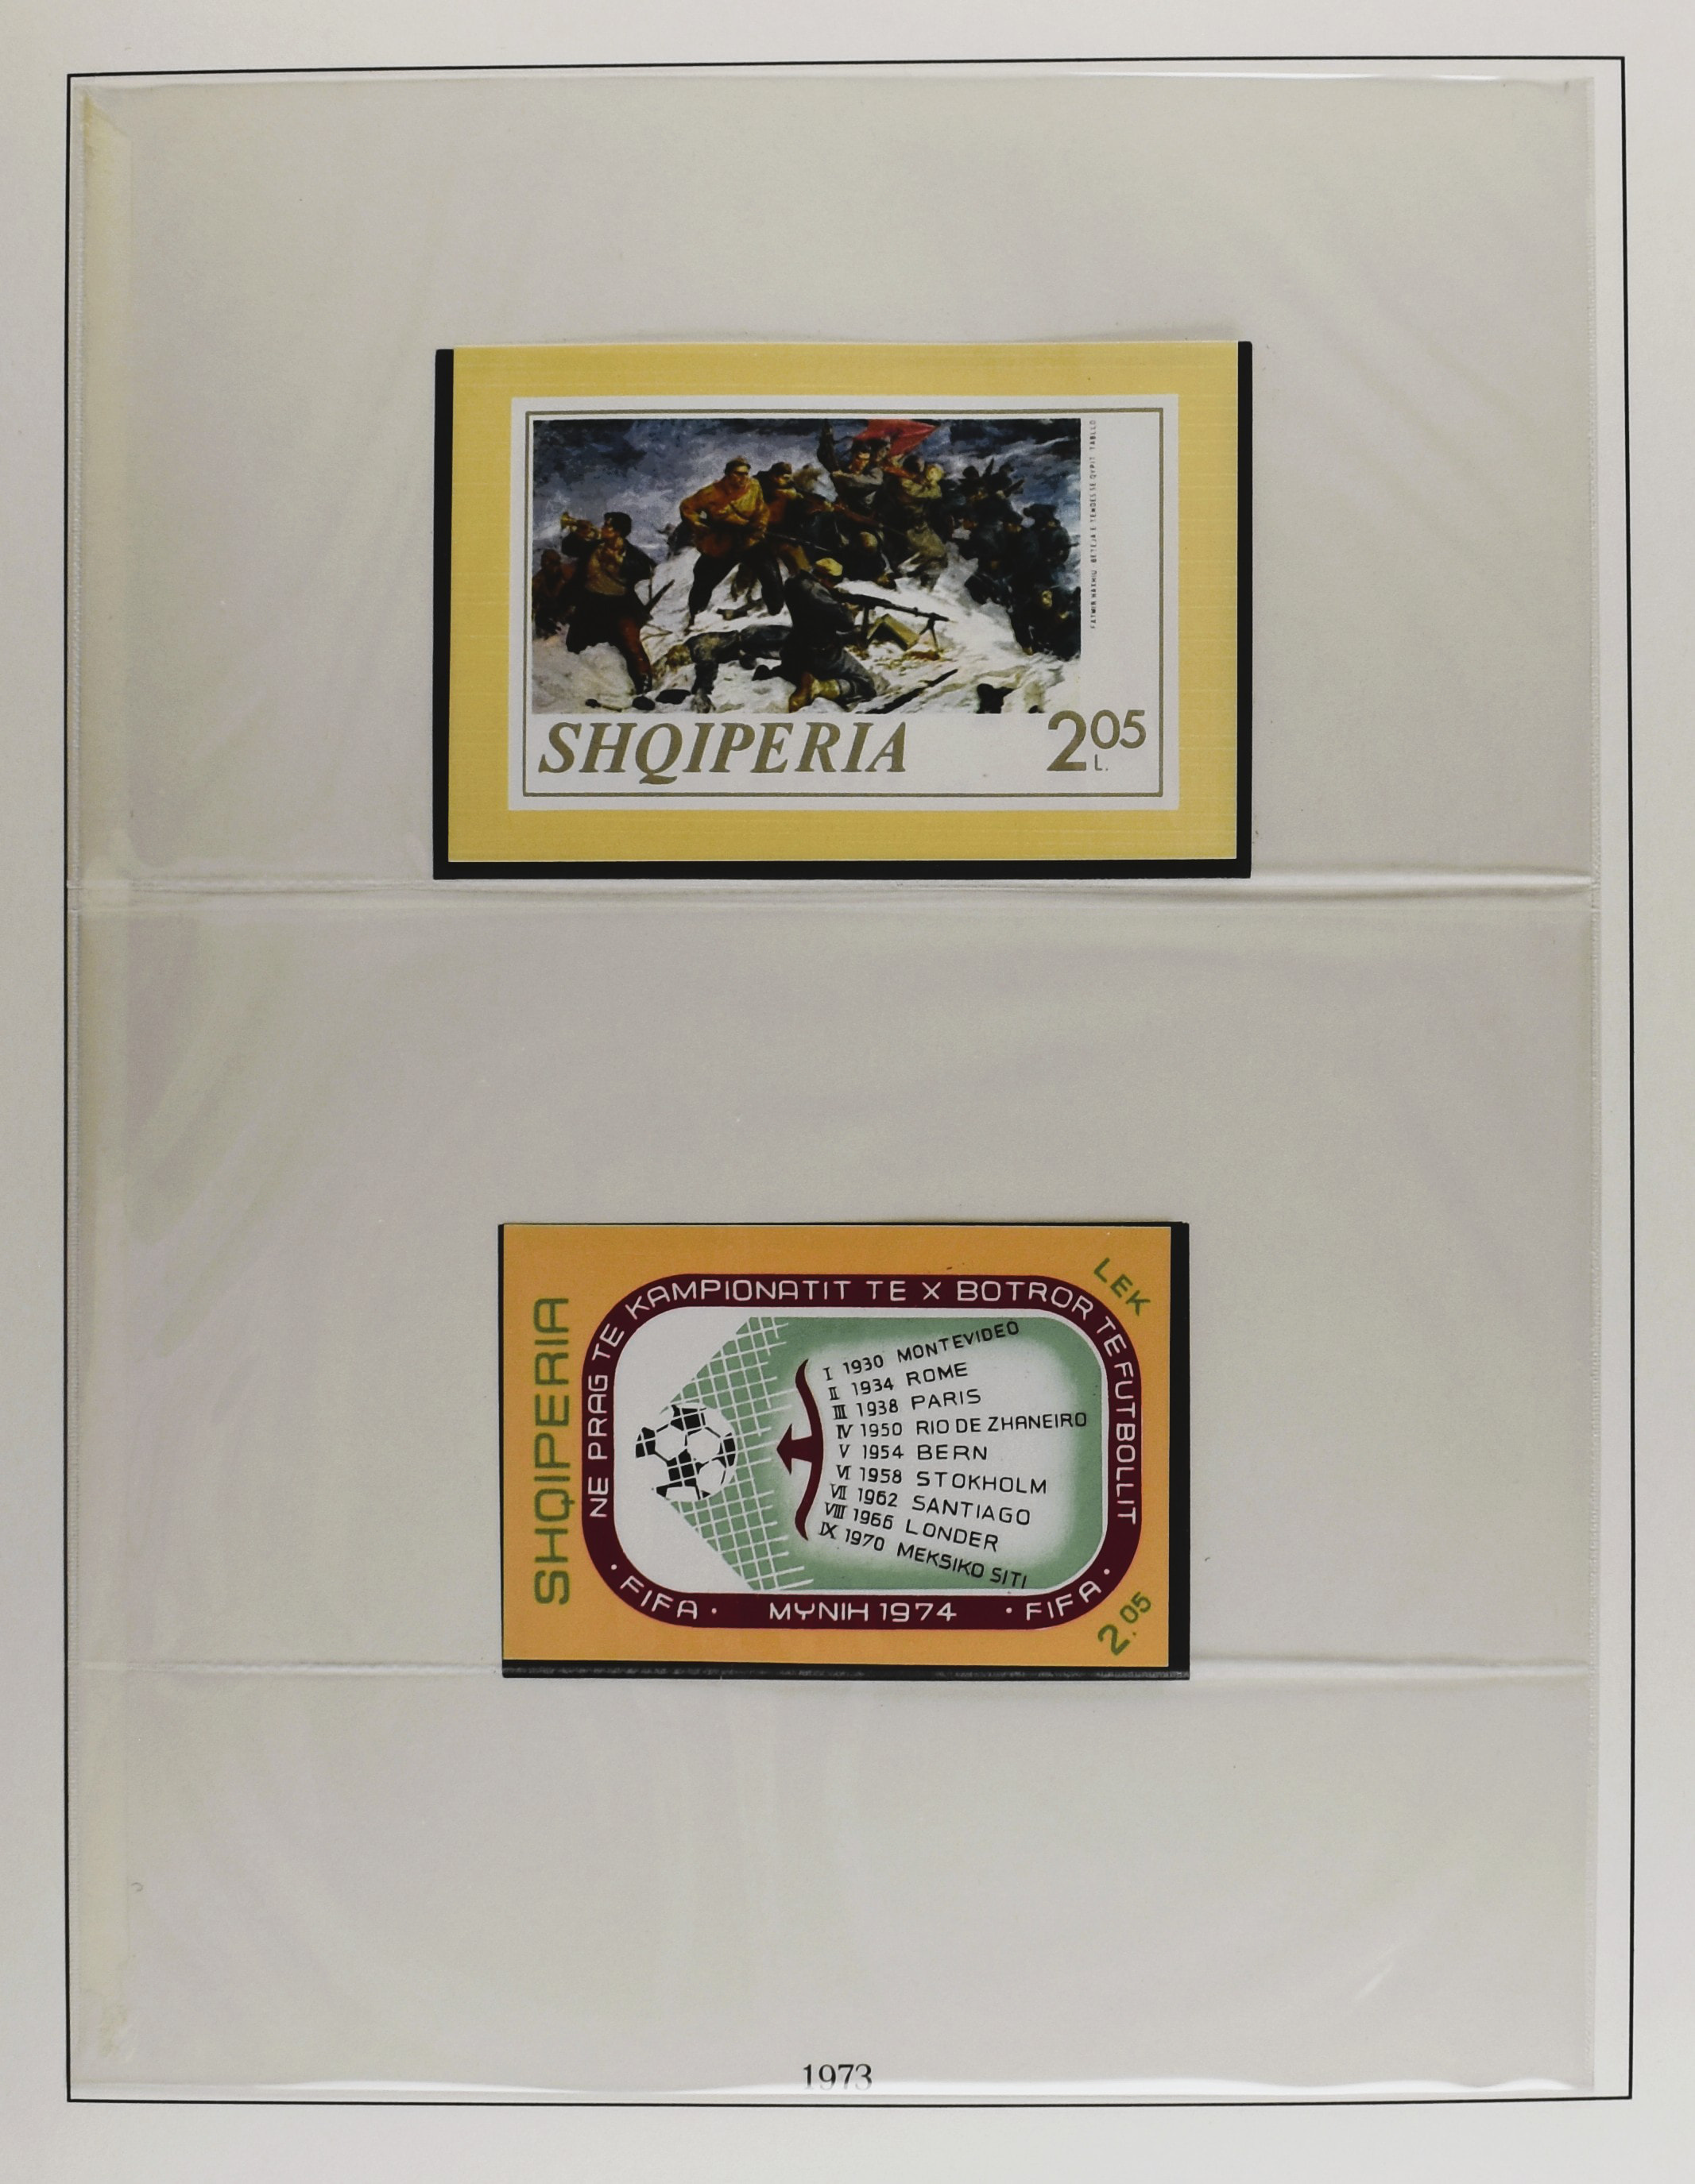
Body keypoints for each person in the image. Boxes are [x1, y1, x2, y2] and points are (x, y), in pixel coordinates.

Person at [562, 512, 657, 701]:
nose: (603, 529)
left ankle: (644, 685)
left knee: (631, 643)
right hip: (590, 603)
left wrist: (617, 561)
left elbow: (646, 570)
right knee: (574, 645)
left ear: (619, 532)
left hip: (618, 605)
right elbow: (569, 548)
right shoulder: (594, 546)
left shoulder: (631, 553)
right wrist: (578, 534)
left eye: (608, 526)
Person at [779, 556, 877, 711]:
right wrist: (849, 611)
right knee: (866, 684)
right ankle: (819, 687)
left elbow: (815, 612)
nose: (834, 585)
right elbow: (846, 624)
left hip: (795, 648)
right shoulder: (815, 591)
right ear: (825, 578)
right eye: (834, 581)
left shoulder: (794, 583)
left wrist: (832, 596)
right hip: (820, 655)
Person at [679, 456, 767, 620]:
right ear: (728, 474)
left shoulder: (754, 486)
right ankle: (696, 616)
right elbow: (687, 507)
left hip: (747, 541)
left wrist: (759, 526)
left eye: (746, 474)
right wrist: (698, 524)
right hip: (722, 544)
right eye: (738, 474)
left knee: (768, 572)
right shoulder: (711, 492)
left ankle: (771, 610)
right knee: (704, 580)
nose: (743, 478)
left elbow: (762, 510)